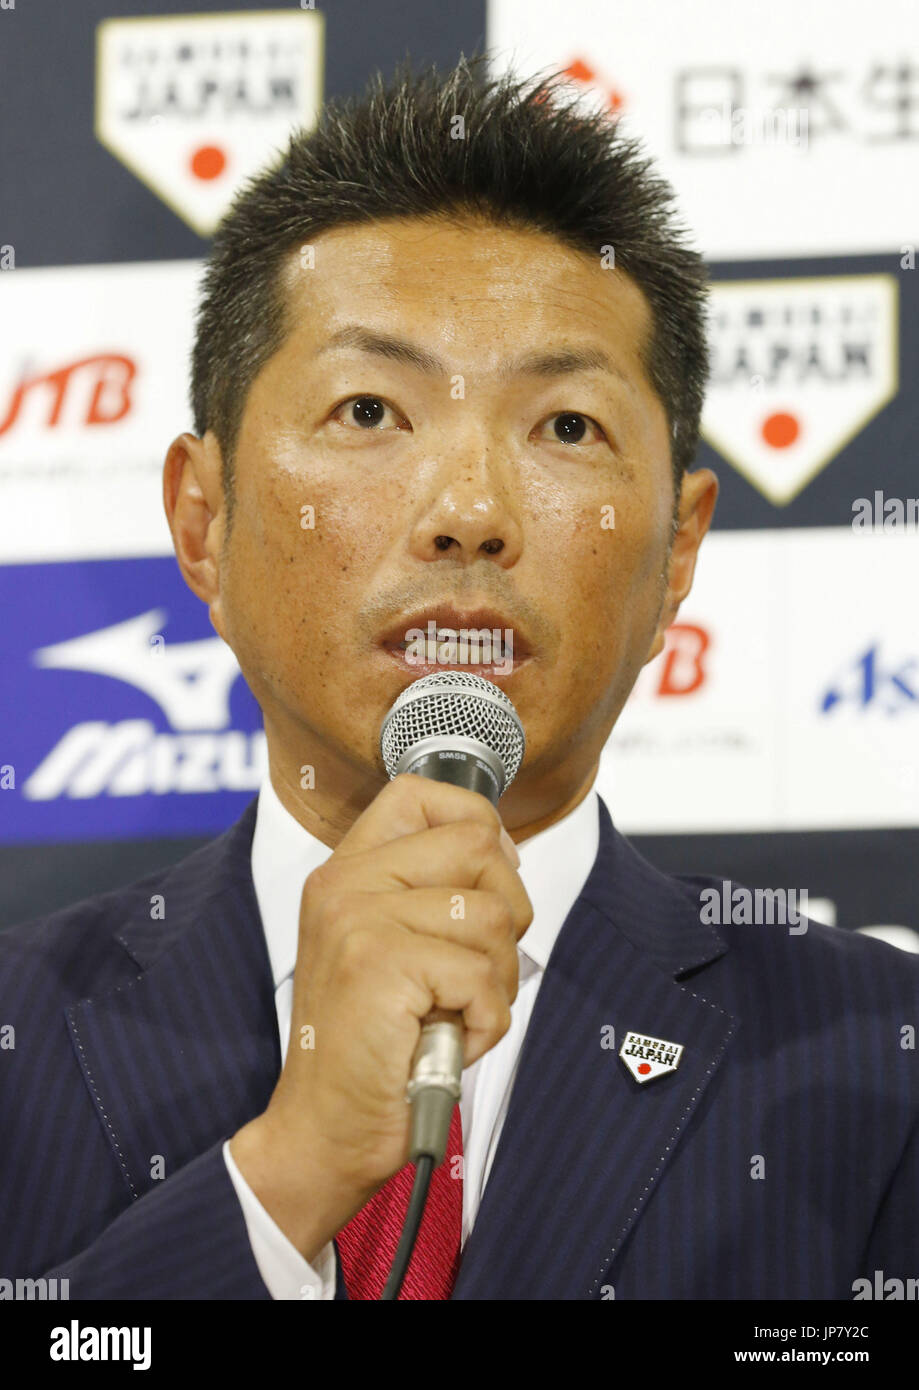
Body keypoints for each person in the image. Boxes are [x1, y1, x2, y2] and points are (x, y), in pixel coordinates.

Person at [2, 55, 916, 1302]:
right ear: (202, 521)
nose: (471, 513)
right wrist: (285, 1181)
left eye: (565, 427)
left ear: (676, 556)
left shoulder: (882, 1067)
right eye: (371, 410)